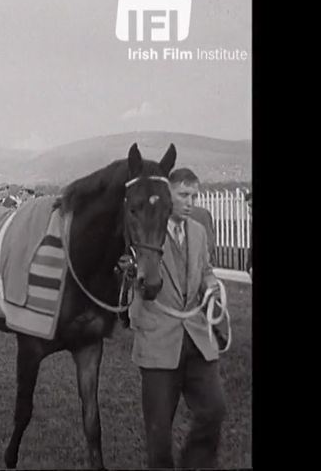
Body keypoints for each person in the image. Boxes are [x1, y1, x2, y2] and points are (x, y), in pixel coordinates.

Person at [129, 167, 226, 469]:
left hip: (197, 338)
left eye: (194, 196)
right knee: (159, 432)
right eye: (183, 195)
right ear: (166, 194)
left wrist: (211, 284)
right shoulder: (144, 230)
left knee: (214, 409)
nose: (190, 202)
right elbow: (128, 271)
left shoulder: (198, 231)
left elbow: (205, 270)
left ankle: (195, 464)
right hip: (158, 341)